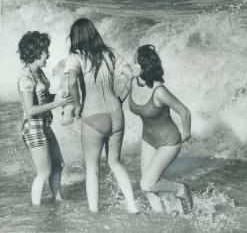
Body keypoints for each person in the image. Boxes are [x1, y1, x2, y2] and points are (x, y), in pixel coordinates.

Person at [65, 18, 138, 213]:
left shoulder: (76, 56)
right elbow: (131, 75)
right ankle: (132, 206)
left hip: (93, 115)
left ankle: (94, 211)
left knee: (92, 168)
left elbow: (72, 82)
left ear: (75, 37)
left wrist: (78, 105)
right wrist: (121, 97)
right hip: (116, 113)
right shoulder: (110, 52)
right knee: (115, 162)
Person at [120, 44, 193, 214]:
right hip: (148, 139)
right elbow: (118, 101)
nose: (131, 65)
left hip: (168, 142)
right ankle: (160, 219)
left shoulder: (159, 91)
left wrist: (186, 134)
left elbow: (185, 112)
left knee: (146, 183)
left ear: (144, 65)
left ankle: (181, 188)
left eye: (134, 62)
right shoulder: (132, 83)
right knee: (148, 187)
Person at [17, 31, 73, 205]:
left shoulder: (38, 72)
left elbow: (44, 97)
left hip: (44, 125)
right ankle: (36, 207)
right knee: (44, 171)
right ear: (35, 52)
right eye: (45, 51)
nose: (47, 54)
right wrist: (58, 104)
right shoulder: (26, 78)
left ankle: (57, 198)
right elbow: (31, 109)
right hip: (33, 126)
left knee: (59, 165)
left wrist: (61, 97)